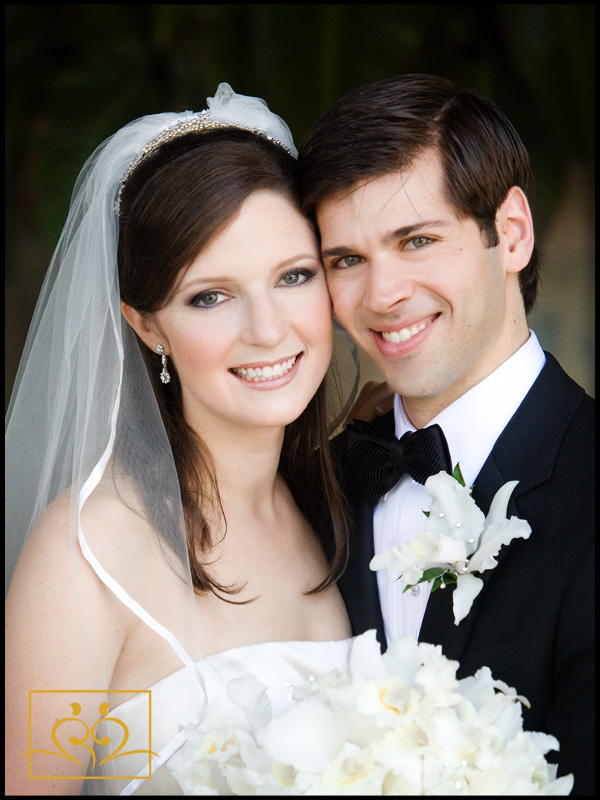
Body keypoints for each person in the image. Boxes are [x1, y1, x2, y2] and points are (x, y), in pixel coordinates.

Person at [5, 84, 361, 795]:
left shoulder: (339, 498)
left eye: (293, 276)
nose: (267, 329)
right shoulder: (87, 554)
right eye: (211, 296)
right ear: (146, 324)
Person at [297, 73, 594, 795]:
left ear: (511, 234)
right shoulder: (307, 492)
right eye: (346, 260)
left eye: (417, 239)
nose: (381, 294)